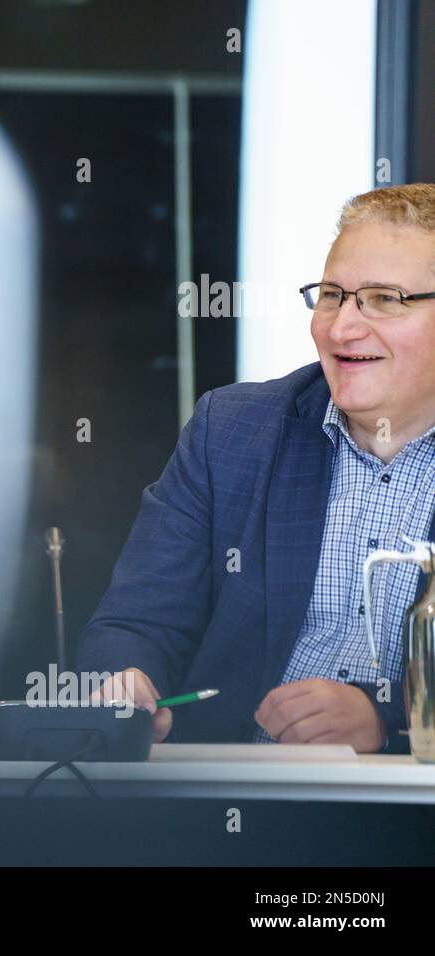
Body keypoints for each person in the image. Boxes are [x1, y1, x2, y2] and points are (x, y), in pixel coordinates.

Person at [77, 183, 435, 754]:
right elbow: (134, 625)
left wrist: (387, 719)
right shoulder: (234, 431)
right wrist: (127, 680)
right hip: (230, 802)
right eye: (332, 295)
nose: (341, 328)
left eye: (385, 299)